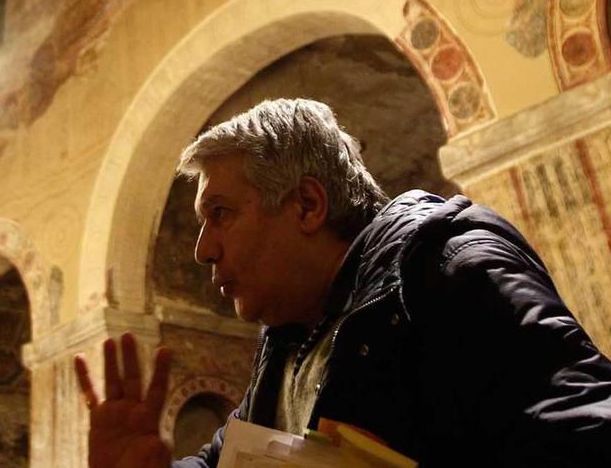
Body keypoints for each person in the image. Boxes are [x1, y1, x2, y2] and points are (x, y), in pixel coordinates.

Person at [73, 99, 611, 467]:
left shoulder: (449, 266)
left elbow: (584, 431)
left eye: (220, 213)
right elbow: (235, 457)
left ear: (307, 205)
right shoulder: (287, 338)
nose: (202, 249)